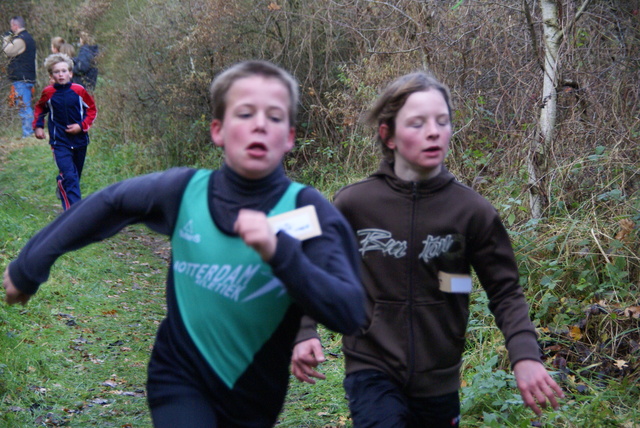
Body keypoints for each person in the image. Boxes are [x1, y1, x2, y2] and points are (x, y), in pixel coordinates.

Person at [4, 60, 366, 427]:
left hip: (256, 396)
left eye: (274, 116)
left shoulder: (308, 212)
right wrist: (29, 266)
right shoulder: (183, 191)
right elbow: (107, 205)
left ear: (289, 136)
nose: (259, 124)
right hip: (179, 376)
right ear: (218, 131)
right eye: (244, 113)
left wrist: (281, 252)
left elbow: (350, 312)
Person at [291, 72, 564, 427]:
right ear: (388, 135)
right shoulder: (355, 203)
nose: (433, 131)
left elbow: (504, 290)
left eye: (442, 121)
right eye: (417, 123)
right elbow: (312, 264)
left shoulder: (471, 212)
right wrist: (304, 331)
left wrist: (524, 355)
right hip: (370, 366)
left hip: (439, 378)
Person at [33, 53, 97, 211]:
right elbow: (40, 108)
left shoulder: (79, 90)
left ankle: (63, 186)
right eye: (56, 72)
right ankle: (74, 213)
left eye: (63, 71)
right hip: (59, 141)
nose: (60, 75)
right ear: (51, 75)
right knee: (69, 175)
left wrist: (81, 126)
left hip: (80, 140)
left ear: (70, 73)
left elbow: (92, 111)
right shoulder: (48, 93)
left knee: (74, 176)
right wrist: (38, 126)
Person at [2, 16, 37, 138]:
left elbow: (7, 51)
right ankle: (29, 132)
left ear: (15, 26)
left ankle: (28, 133)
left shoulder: (21, 39)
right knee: (25, 105)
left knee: (23, 106)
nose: (11, 29)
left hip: (22, 79)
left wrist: (6, 39)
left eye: (12, 26)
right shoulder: (29, 38)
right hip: (27, 77)